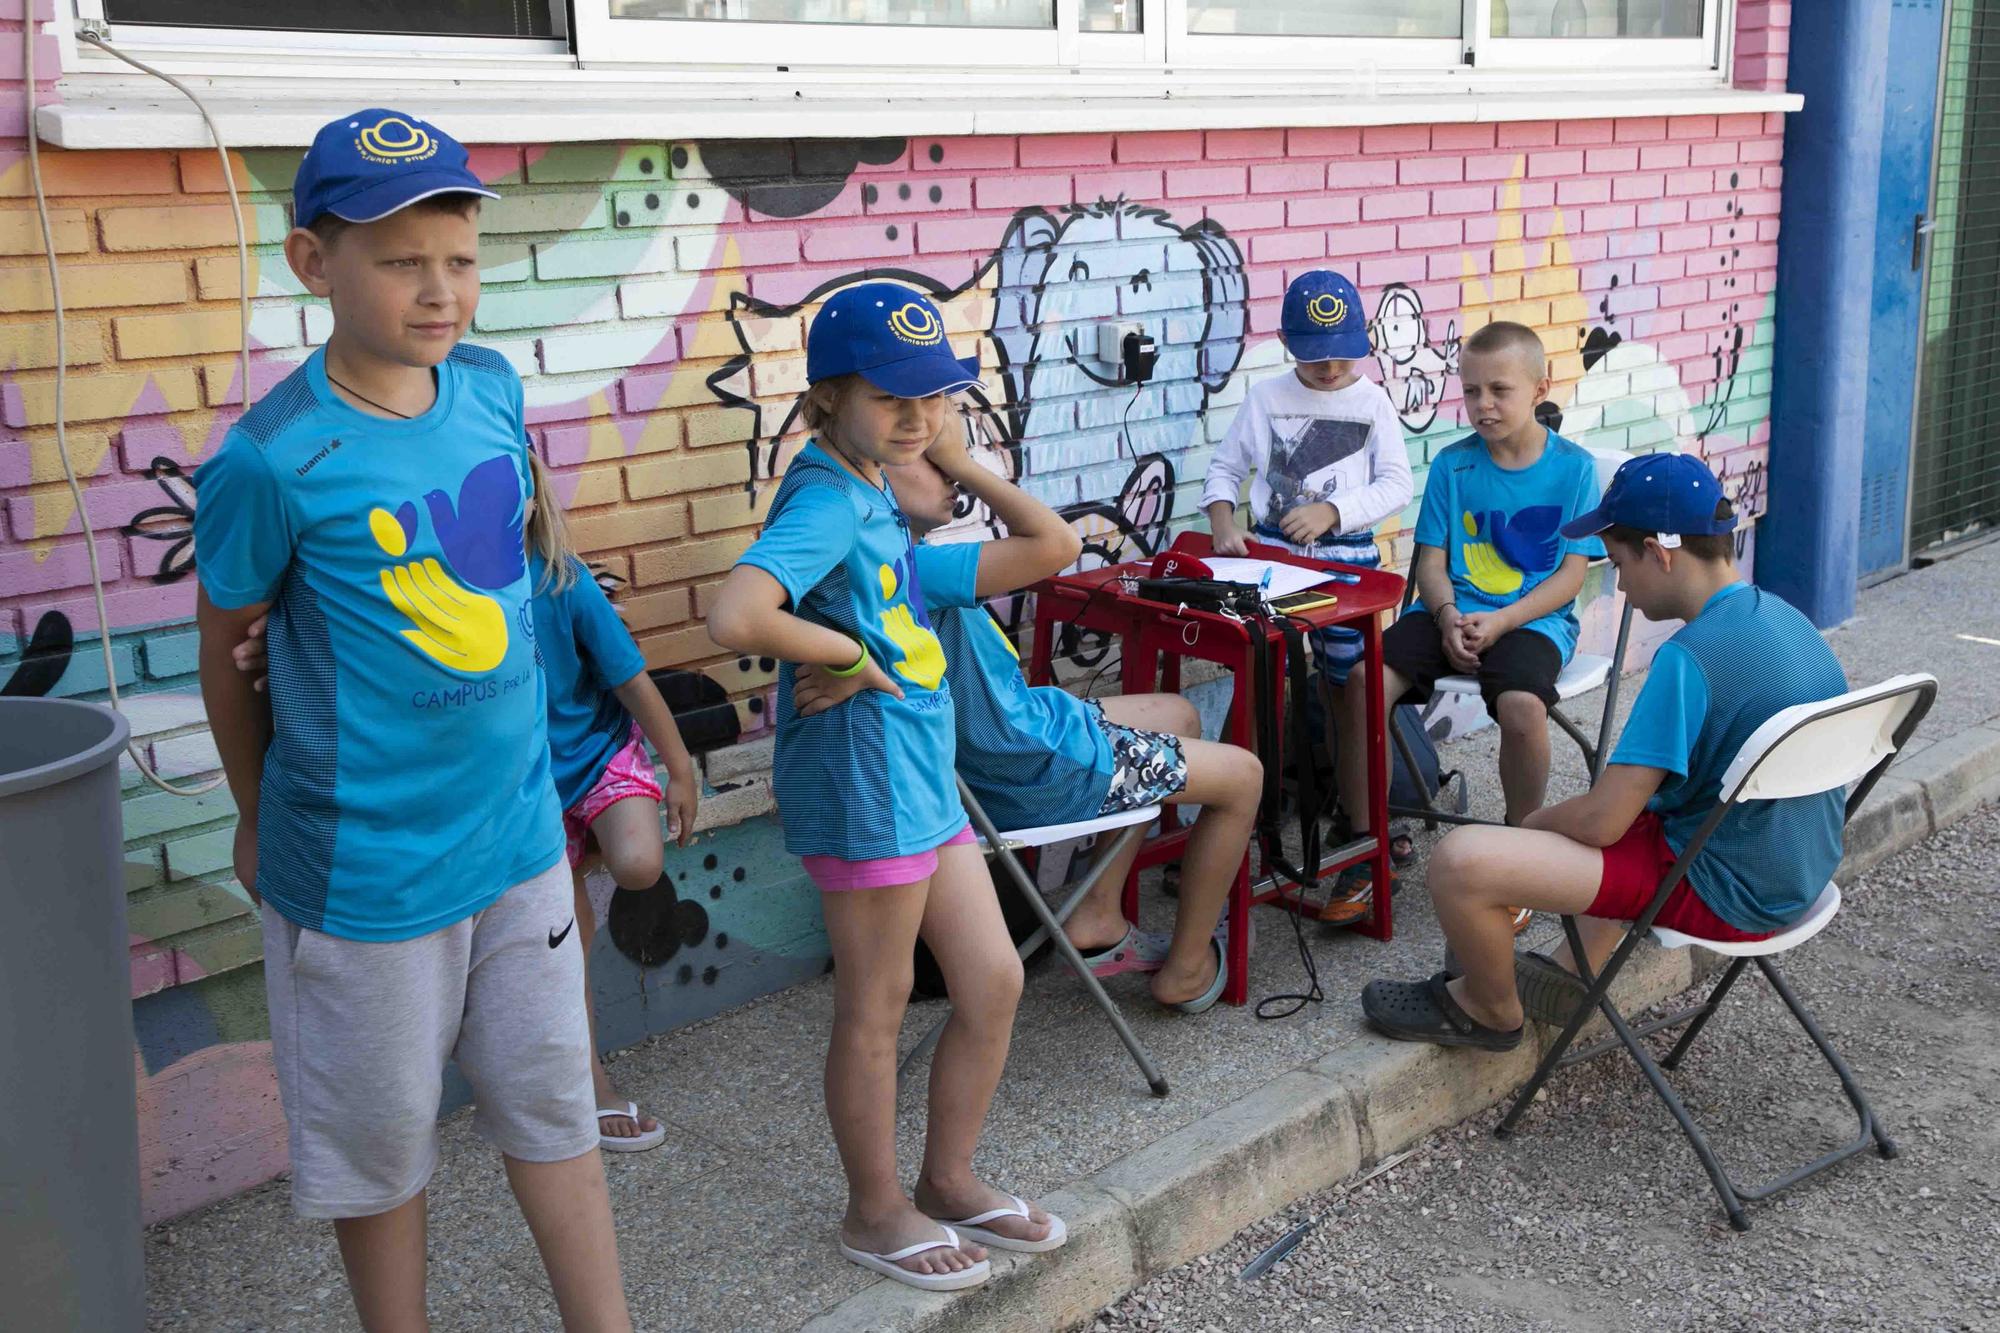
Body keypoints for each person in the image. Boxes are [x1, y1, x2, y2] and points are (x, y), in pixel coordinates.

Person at [192, 110, 631, 1330]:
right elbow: (223, 650)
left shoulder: (488, 388)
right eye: (399, 261)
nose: (440, 290)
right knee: (380, 1160)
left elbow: (520, 555)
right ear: (311, 263)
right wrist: (248, 809)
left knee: (556, 1110)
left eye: (460, 257)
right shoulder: (268, 461)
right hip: (365, 874)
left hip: (521, 840)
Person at [705, 283, 1063, 1293]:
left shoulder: (872, 500)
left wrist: (948, 459)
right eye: (890, 399)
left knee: (991, 978)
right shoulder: (825, 499)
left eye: (933, 397)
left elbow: (1050, 548)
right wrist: (841, 655)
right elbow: (736, 611)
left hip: (918, 783)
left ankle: (945, 1178)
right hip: (865, 791)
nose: (914, 417)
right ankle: (874, 1210)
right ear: (826, 398)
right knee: (876, 1002)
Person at [1359, 453, 1848, 1050]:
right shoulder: (1786, 618)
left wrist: (1530, 829)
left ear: (1658, 552)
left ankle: (1488, 1010)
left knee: (1461, 862)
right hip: (1797, 871)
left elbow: (1601, 821)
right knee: (1625, 811)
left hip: (1723, 891)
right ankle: (1573, 970)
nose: (1619, 585)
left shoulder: (1689, 659)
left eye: (1618, 564)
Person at [826, 428, 1265, 1011]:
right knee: (1243, 776)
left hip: (1018, 732)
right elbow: (1056, 542)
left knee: (1176, 712)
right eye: (934, 461)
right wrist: (970, 463)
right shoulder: (916, 572)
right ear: (873, 477)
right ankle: (1185, 970)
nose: (953, 474)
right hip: (1030, 764)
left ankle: (1098, 915)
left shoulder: (873, 564)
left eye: (950, 458)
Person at [1332, 320, 1604, 922]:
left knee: (1522, 708)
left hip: (1533, 620)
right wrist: (1449, 613)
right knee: (1361, 683)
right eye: (1472, 389)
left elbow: (1568, 577)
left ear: (1540, 387)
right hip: (1450, 612)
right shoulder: (1454, 467)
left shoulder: (1576, 470)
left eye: (1499, 390)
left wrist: (1503, 620)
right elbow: (1430, 565)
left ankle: (1520, 850)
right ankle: (1361, 845)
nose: (1482, 404)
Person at [1201, 270, 1413, 920]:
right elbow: (1225, 469)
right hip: (1271, 563)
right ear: (1290, 344)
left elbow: (1397, 483)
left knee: (1352, 692)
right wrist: (1222, 522)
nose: (1328, 370)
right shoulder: (1266, 397)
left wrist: (1335, 513)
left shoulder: (1372, 402)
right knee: (1262, 690)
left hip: (1348, 567)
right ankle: (1246, 829)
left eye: (1342, 355)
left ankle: (1361, 824)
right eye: (1314, 357)